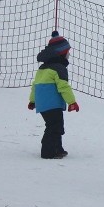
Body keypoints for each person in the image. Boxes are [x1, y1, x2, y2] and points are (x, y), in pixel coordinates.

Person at [27, 31, 80, 159]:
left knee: (56, 125)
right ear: (61, 53)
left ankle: (58, 149)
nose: (68, 54)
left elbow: (36, 85)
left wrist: (32, 101)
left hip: (43, 104)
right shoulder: (59, 68)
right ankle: (48, 152)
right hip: (51, 104)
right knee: (54, 127)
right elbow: (63, 87)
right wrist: (72, 102)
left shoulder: (43, 68)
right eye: (67, 52)